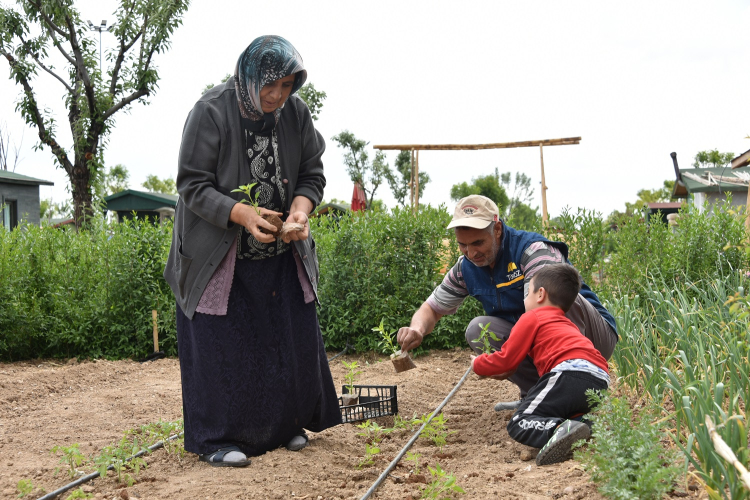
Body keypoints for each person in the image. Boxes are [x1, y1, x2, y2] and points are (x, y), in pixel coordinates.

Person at [163, 35, 341, 467]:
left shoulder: (295, 114)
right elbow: (192, 184)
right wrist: (242, 214)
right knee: (222, 346)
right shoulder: (210, 112)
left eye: (286, 86)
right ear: (248, 77)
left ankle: (285, 428)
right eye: (270, 86)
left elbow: (312, 174)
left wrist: (299, 213)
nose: (278, 96)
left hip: (278, 251)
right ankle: (216, 439)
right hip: (217, 254)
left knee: (281, 336)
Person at [397, 195, 617, 410]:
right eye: (462, 245)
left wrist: (510, 357)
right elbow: (431, 308)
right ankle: (537, 396)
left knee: (553, 299)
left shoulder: (533, 251)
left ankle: (572, 388)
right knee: (479, 329)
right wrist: (416, 329)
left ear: (498, 230)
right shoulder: (465, 268)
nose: (471, 253)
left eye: (478, 243)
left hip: (593, 336)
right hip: (538, 337)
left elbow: (544, 314)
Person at [471, 263, 610, 466]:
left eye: (527, 293)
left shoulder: (532, 317)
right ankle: (586, 426)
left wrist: (478, 364)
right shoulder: (566, 323)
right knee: (562, 409)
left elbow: (506, 359)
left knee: (520, 422)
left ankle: (559, 430)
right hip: (600, 378)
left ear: (540, 294)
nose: (524, 299)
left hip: (570, 372)